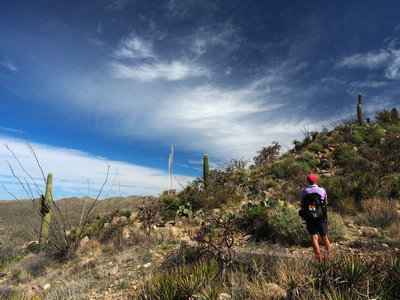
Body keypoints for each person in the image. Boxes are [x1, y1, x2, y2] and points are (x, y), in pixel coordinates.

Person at [300, 174, 332, 260]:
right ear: (316, 181)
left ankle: (319, 257)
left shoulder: (304, 191)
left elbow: (302, 204)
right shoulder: (322, 190)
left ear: (307, 181)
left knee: (314, 237)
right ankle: (329, 255)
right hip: (321, 216)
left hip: (310, 217)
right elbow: (325, 203)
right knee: (324, 236)